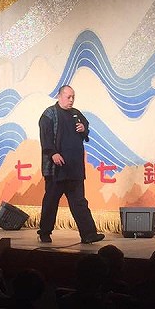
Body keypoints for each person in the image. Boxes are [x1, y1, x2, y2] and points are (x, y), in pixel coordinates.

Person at [37, 85, 104, 244]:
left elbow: (85, 128)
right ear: (59, 96)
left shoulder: (76, 113)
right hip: (57, 168)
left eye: (73, 97)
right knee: (51, 202)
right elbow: (45, 137)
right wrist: (53, 153)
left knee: (79, 202)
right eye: (68, 97)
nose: (71, 100)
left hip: (74, 168)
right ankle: (44, 233)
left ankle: (88, 234)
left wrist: (83, 128)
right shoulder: (49, 114)